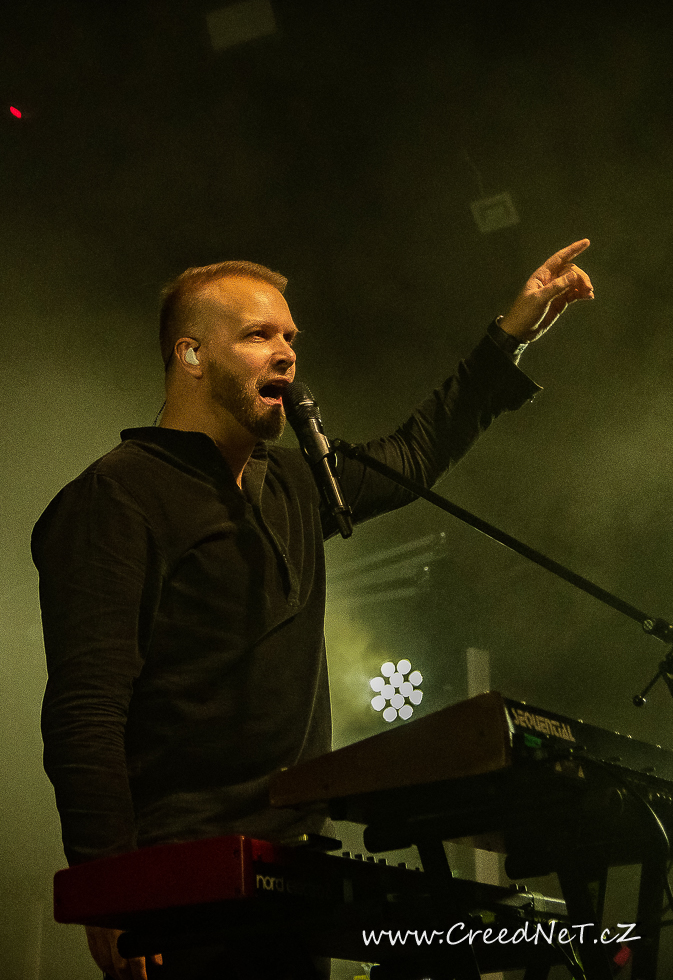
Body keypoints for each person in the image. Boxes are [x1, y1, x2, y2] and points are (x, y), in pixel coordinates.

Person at [32, 241, 593, 980]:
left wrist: (509, 337)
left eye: (290, 336)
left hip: (288, 867)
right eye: (258, 335)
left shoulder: (292, 483)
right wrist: (107, 881)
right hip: (180, 875)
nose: (286, 353)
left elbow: (413, 454)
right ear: (191, 354)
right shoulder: (119, 496)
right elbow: (86, 708)